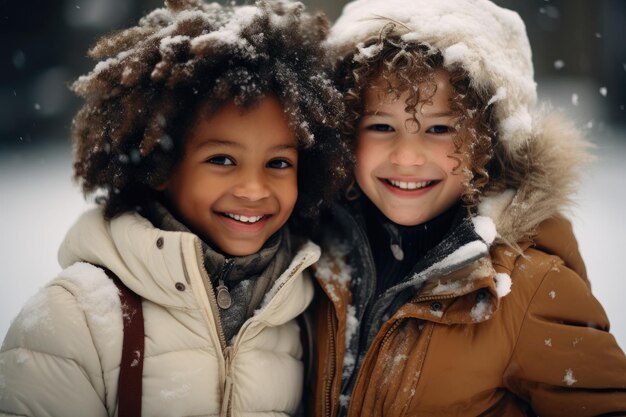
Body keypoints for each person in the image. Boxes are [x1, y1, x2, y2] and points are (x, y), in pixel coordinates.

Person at [0, 1, 349, 416]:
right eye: (222, 160)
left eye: (278, 163)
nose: (255, 190)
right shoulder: (75, 316)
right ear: (161, 166)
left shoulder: (306, 313)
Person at [308, 0, 626, 415]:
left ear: (488, 143)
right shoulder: (315, 254)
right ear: (347, 135)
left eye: (440, 128)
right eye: (381, 126)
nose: (407, 158)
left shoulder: (527, 289)